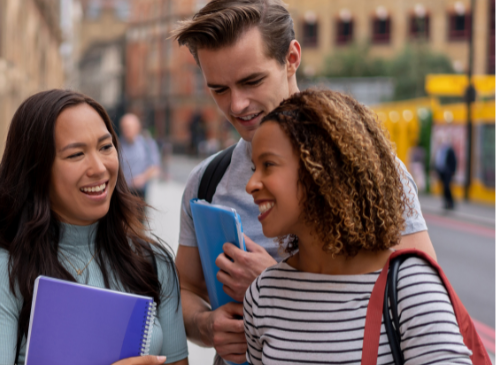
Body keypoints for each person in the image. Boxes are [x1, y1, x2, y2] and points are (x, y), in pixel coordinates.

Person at [168, 1, 437, 363]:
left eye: (252, 80)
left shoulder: (370, 170)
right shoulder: (206, 182)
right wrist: (204, 324)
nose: (237, 105)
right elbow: (183, 290)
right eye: (219, 89)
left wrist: (279, 287)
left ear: (291, 57)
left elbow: (418, 298)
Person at [0, 90, 189, 365]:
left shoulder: (153, 263)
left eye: (105, 147)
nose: (99, 168)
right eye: (76, 154)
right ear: (36, 170)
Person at [243, 89, 471, 364]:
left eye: (268, 164)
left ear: (321, 170)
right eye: (255, 167)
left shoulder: (411, 288)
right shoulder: (262, 294)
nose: (251, 184)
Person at [119, 113, 162, 200]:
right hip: (122, 192)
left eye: (129, 127)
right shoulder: (118, 144)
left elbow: (156, 168)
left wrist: (142, 178)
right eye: (124, 127)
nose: (126, 130)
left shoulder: (146, 143)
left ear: (137, 127)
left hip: (139, 192)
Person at [434, 136, 458, 210]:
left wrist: (452, 171)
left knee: (447, 187)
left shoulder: (450, 150)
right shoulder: (440, 150)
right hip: (441, 171)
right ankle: (446, 203)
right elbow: (437, 160)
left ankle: (451, 202)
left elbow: (454, 161)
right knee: (443, 188)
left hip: (448, 172)